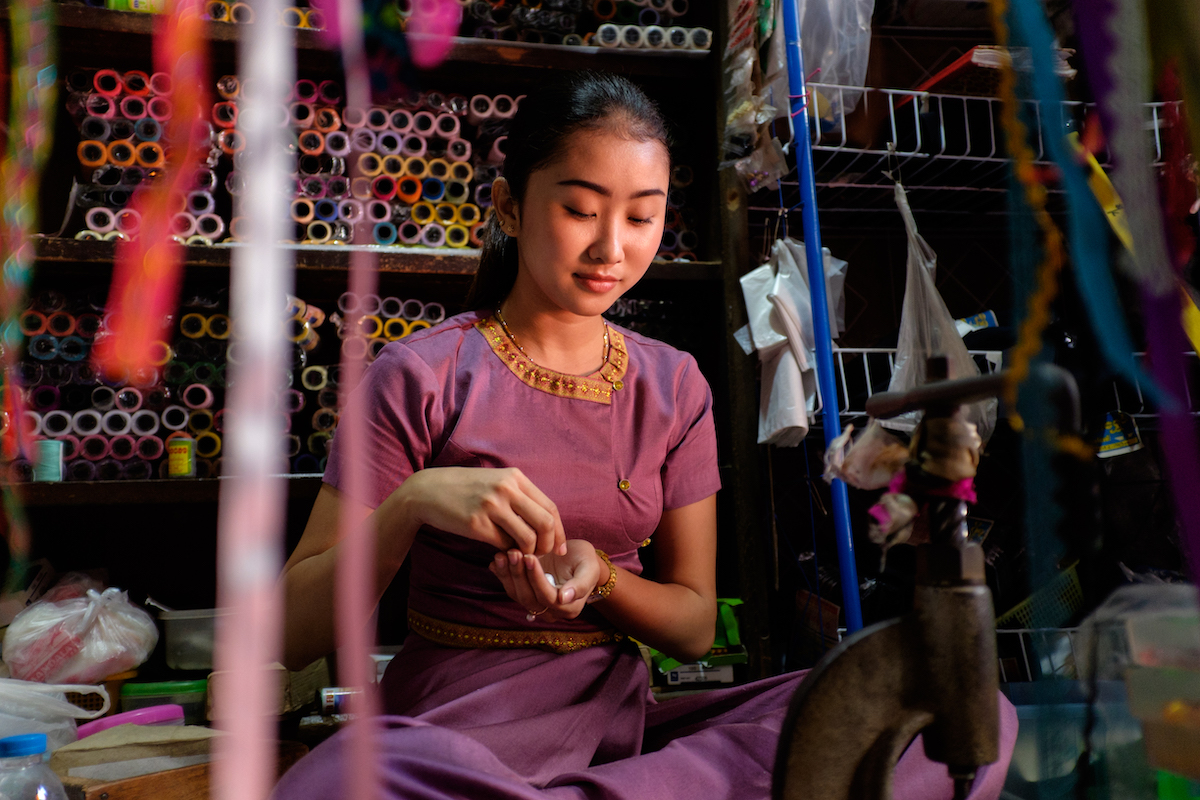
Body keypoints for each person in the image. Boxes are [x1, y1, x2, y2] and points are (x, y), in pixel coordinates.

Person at [274, 72, 1016, 800]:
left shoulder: (673, 385)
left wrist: (600, 577)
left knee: (955, 711)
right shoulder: (421, 375)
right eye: (579, 209)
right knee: (342, 782)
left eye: (640, 217)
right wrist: (412, 503)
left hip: (622, 734)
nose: (611, 249)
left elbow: (693, 626)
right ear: (509, 205)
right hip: (455, 735)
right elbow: (293, 636)